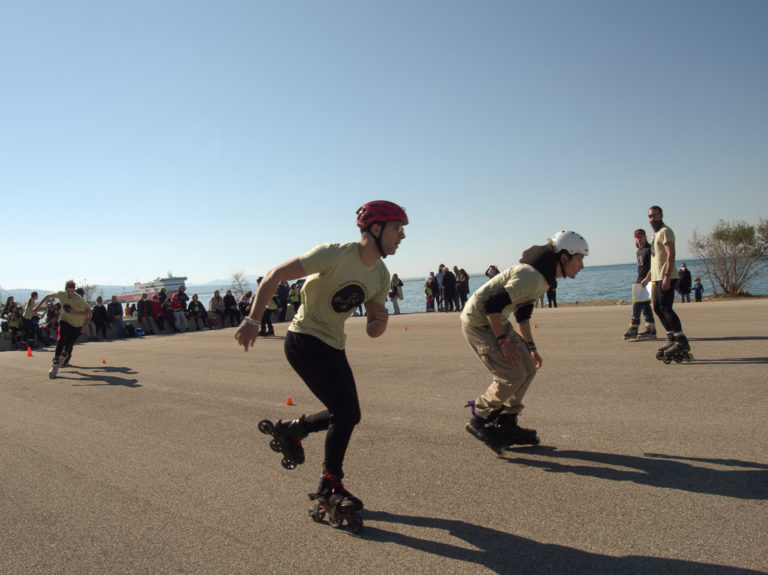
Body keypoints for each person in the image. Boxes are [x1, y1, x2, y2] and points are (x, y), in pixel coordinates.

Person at [235, 200, 408, 514]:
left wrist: (378, 322)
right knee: (344, 413)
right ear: (376, 228)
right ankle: (329, 484)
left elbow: (372, 330)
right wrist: (252, 320)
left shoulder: (381, 275)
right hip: (304, 340)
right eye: (398, 228)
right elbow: (274, 275)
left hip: (333, 345)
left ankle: (294, 429)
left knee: (349, 414)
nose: (402, 236)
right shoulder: (334, 254)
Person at [462, 230, 589, 452]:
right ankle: (479, 418)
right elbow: (491, 304)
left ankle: (507, 423)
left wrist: (531, 348)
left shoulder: (543, 277)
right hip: (479, 323)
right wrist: (503, 341)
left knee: (528, 368)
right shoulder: (532, 276)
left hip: (496, 320)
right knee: (512, 374)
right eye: (580, 259)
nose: (582, 265)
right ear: (564, 257)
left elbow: (522, 315)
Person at [641, 206, 692, 361]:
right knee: (656, 308)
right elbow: (655, 259)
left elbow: (671, 254)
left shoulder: (665, 231)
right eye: (650, 216)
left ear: (661, 215)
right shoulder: (654, 234)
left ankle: (681, 340)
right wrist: (648, 277)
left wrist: (667, 276)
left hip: (666, 276)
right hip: (656, 278)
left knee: (666, 307)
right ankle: (671, 337)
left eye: (655, 216)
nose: (652, 219)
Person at [34, 280, 92, 378]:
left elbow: (90, 313)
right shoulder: (61, 294)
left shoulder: (78, 299)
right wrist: (37, 307)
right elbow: (48, 296)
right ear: (65, 290)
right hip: (65, 321)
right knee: (61, 339)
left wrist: (84, 324)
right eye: (68, 291)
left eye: (72, 292)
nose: (70, 294)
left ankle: (63, 357)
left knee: (69, 345)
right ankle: (55, 364)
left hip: (77, 325)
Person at [624, 229, 656, 340]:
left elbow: (654, 265)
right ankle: (650, 328)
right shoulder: (639, 251)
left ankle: (634, 326)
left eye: (641, 237)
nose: (639, 239)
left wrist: (648, 278)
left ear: (645, 237)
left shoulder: (649, 249)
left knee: (637, 304)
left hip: (647, 280)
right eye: (637, 237)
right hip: (640, 279)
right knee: (645, 304)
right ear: (635, 238)